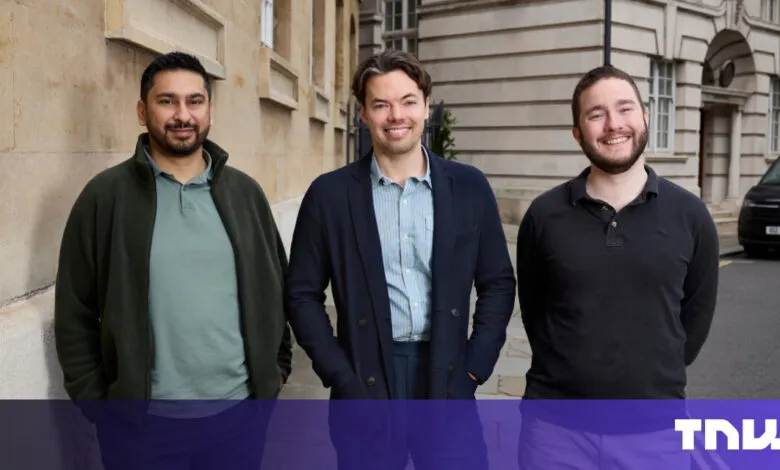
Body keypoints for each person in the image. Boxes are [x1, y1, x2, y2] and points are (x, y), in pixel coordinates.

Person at [53, 51, 292, 470]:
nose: (183, 114)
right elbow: (74, 308)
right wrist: (98, 403)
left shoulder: (245, 194)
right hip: (142, 430)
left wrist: (277, 367)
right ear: (143, 112)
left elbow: (276, 287)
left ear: (210, 110)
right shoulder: (105, 197)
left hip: (239, 418)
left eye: (195, 101)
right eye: (168, 101)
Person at [285, 49, 517, 469]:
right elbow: (301, 294)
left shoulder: (469, 187)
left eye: (409, 101)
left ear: (427, 107)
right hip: (366, 379)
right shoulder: (330, 195)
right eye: (381, 104)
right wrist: (340, 374)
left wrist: (474, 368)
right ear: (363, 114)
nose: (397, 115)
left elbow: (498, 282)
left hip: (447, 374)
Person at [515, 65, 720, 469]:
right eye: (596, 114)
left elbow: (692, 325)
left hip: (655, 434)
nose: (613, 125)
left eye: (625, 109)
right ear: (578, 132)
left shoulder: (691, 216)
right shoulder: (543, 216)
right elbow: (536, 314)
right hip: (556, 433)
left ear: (645, 116)